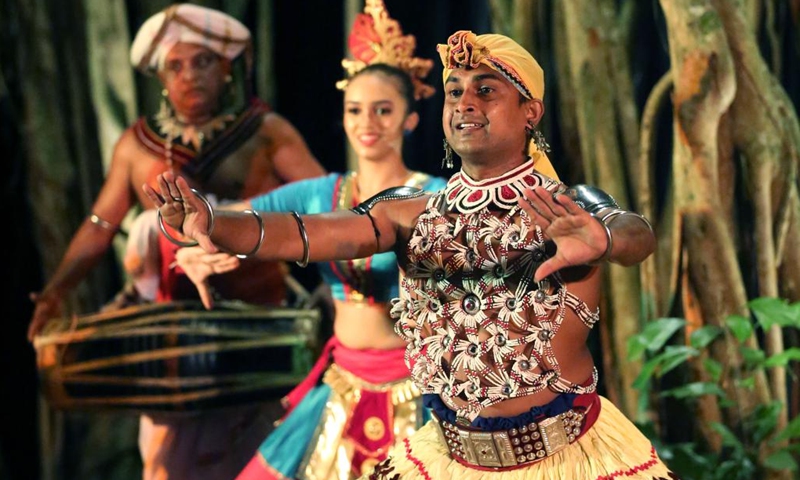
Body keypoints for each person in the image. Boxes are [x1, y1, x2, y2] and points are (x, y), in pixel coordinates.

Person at [146, 30, 679, 479]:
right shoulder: (407, 211)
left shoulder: (569, 206)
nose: (465, 102)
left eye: (486, 90)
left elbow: (637, 235)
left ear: (530, 111)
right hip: (445, 459)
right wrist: (214, 224)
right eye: (455, 92)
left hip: (567, 459)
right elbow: (309, 234)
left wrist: (604, 239)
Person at [28, 4, 325, 480]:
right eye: (176, 66)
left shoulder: (266, 134)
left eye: (203, 61)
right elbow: (100, 225)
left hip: (261, 333)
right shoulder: (136, 145)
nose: (190, 76)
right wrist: (56, 292)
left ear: (228, 68)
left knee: (262, 464)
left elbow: (325, 207)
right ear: (161, 78)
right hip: (171, 349)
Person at [174, 2, 446, 477]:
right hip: (342, 386)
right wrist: (193, 245)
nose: (368, 123)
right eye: (355, 110)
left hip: (420, 392)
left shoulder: (438, 198)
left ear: (410, 119)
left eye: (384, 110)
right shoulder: (323, 195)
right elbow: (225, 220)